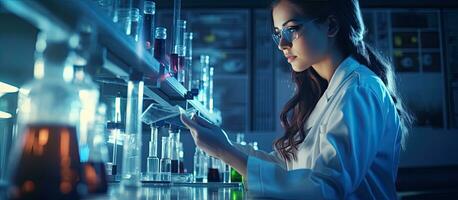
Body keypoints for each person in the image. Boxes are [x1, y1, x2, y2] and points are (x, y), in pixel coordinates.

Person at [181, 0, 413, 199]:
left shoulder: (360, 90)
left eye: (291, 29)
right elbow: (290, 169)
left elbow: (326, 188)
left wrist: (225, 152)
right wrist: (225, 145)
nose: (282, 44)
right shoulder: (330, 92)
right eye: (278, 34)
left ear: (331, 25)